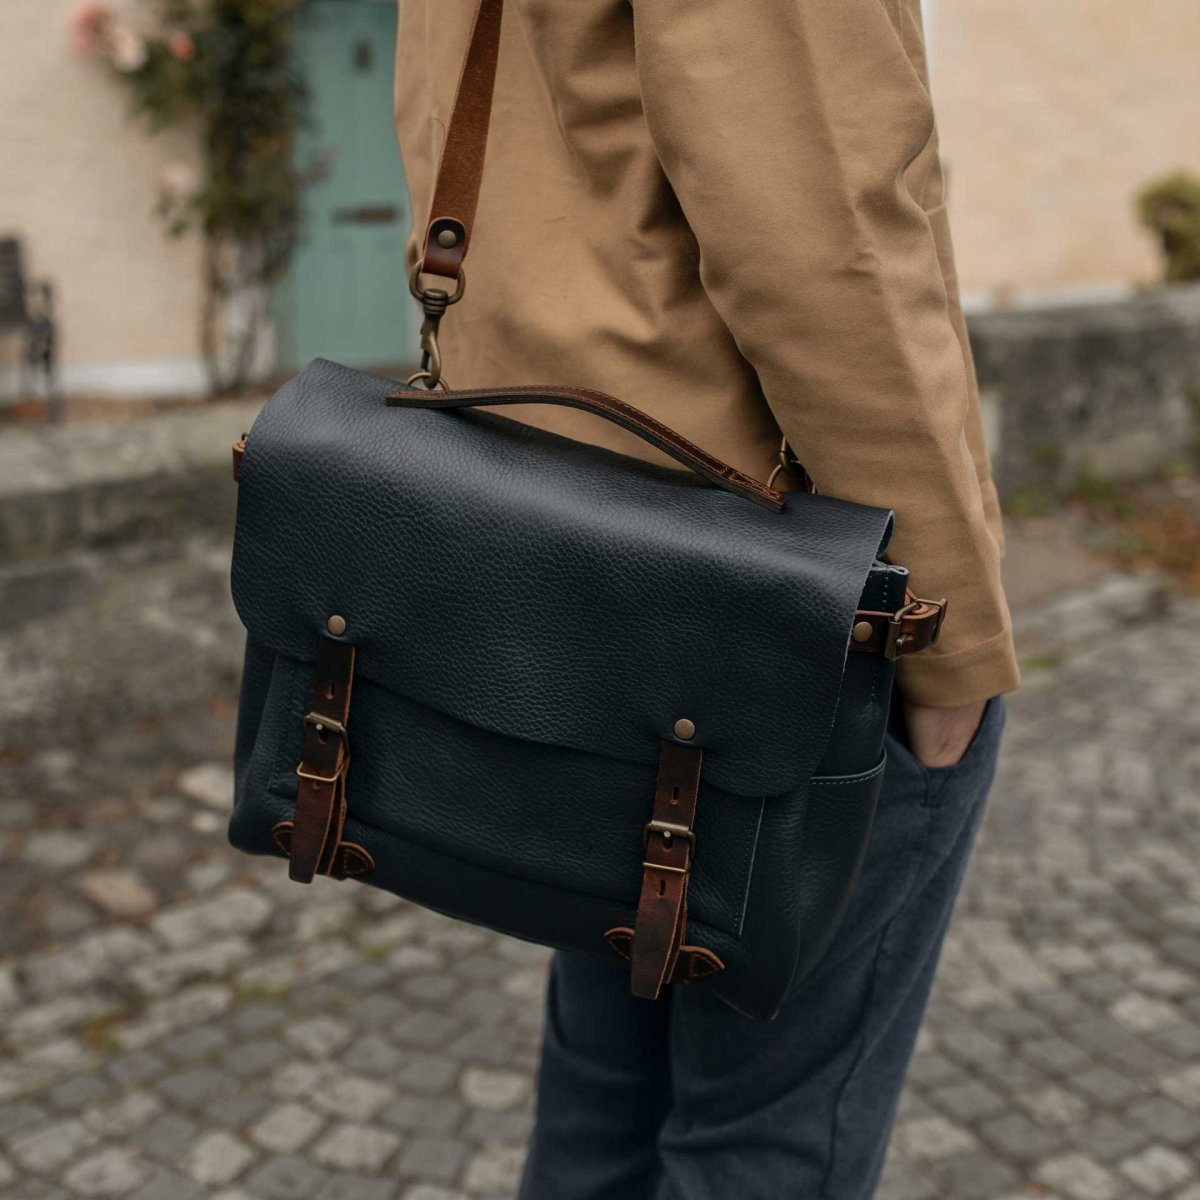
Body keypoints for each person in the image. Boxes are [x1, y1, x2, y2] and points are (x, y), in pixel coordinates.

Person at [394, 0, 1018, 1195]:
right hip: (786, 595)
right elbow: (823, 240)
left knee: (602, 1103)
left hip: (571, 542)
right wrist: (948, 635)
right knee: (765, 1139)